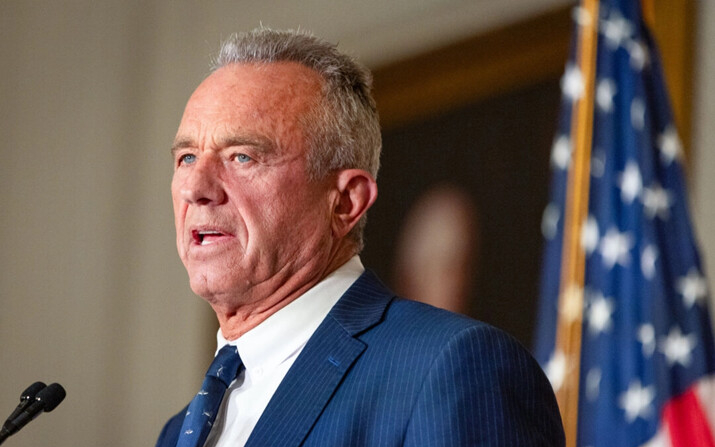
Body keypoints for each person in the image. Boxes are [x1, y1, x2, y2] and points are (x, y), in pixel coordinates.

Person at [156, 28, 564, 447]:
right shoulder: (180, 432)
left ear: (346, 202)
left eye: (242, 156)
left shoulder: (452, 370)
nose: (195, 187)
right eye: (187, 157)